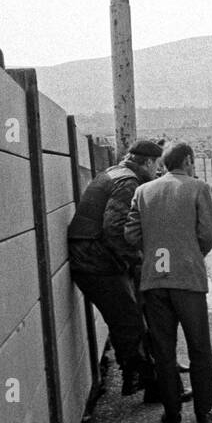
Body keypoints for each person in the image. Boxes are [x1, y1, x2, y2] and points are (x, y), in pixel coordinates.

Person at [125, 142, 212, 423]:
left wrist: (152, 250)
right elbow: (208, 233)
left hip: (154, 280)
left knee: (163, 351)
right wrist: (191, 253)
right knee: (199, 348)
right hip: (188, 280)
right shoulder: (197, 188)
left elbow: (130, 234)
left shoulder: (143, 191)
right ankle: (203, 412)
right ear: (188, 160)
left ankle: (173, 414)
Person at [67, 140, 165, 400]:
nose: (158, 170)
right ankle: (149, 385)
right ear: (146, 162)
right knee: (130, 322)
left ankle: (138, 380)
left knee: (129, 320)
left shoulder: (115, 172)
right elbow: (115, 229)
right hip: (95, 262)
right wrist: (137, 261)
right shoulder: (128, 183)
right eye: (156, 164)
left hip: (93, 258)